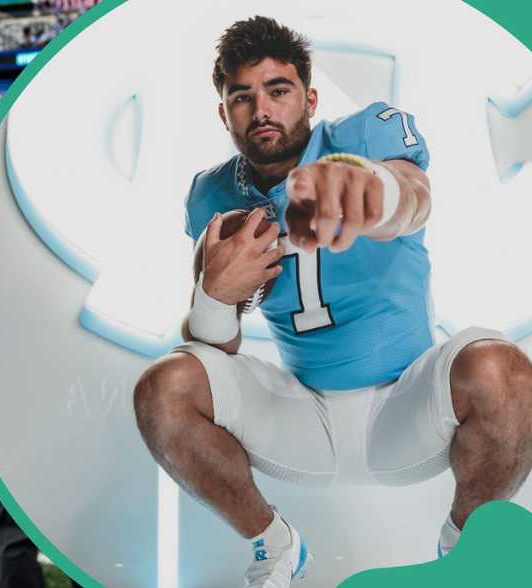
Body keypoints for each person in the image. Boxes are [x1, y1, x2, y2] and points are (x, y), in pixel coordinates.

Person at [132, 16, 532, 588]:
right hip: (300, 412)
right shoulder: (212, 195)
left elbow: (413, 198)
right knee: (164, 385)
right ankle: (276, 546)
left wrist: (376, 192)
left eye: (278, 90)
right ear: (224, 113)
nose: (262, 109)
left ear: (310, 97)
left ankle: (464, 546)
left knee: (504, 372)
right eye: (242, 97)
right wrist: (215, 296)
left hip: (408, 401)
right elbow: (213, 350)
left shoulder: (362, 140)